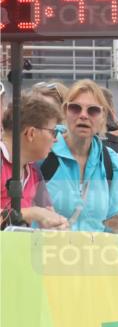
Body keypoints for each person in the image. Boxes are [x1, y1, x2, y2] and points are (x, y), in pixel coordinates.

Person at [43, 79, 118, 232]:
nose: (83, 115)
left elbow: (113, 223)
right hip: (46, 251)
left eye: (93, 110)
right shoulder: (44, 152)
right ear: (65, 111)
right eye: (75, 108)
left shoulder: (111, 162)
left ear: (103, 116)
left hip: (93, 254)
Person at [1, 94, 68, 229]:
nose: (56, 139)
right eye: (53, 132)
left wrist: (56, 223)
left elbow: (47, 213)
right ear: (31, 133)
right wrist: (31, 213)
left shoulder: (34, 171)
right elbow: (35, 213)